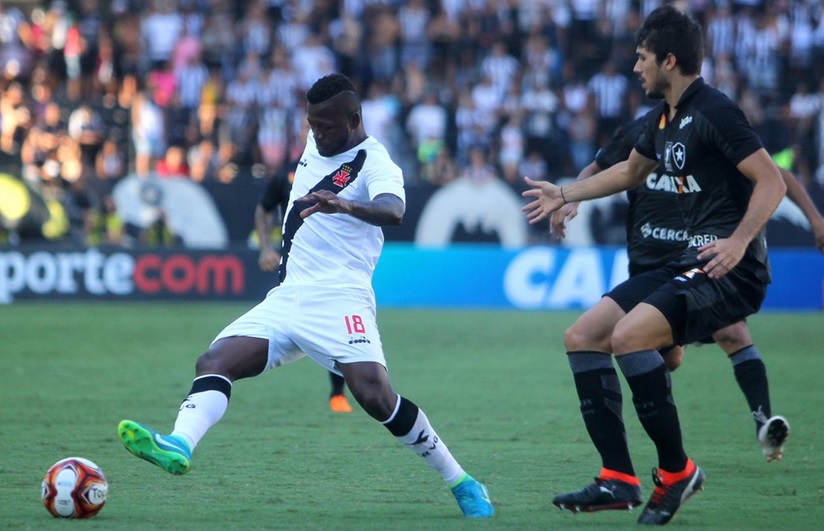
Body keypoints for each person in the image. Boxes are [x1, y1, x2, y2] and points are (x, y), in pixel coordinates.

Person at [117, 73, 494, 518]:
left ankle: (463, 482)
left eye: (326, 125)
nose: (316, 134)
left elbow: (395, 210)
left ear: (354, 119)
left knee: (374, 396)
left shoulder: (376, 162)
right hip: (288, 295)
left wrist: (347, 205)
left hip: (341, 297)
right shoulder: (317, 144)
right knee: (214, 361)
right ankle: (179, 443)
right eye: (311, 124)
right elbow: (278, 192)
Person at [522, 6, 786, 525]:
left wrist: (737, 242)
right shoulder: (665, 118)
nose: (635, 68)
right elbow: (629, 170)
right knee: (583, 335)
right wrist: (565, 192)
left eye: (642, 58)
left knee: (629, 337)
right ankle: (617, 478)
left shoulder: (714, 110)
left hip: (732, 268)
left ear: (669, 60)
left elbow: (772, 182)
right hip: (690, 259)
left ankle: (676, 473)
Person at [552, 112, 824, 463]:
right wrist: (571, 197)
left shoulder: (707, 124)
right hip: (649, 263)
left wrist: (815, 218)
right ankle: (652, 440)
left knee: (733, 331)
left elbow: (776, 175)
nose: (638, 68)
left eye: (644, 58)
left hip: (696, 258)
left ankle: (760, 422)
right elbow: (600, 167)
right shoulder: (641, 130)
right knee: (666, 356)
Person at [254, 157, 354, 414]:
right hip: (296, 263)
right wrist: (265, 247)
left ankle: (338, 393)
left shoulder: (345, 170)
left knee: (336, 324)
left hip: (333, 262)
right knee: (287, 319)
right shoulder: (287, 173)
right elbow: (263, 208)